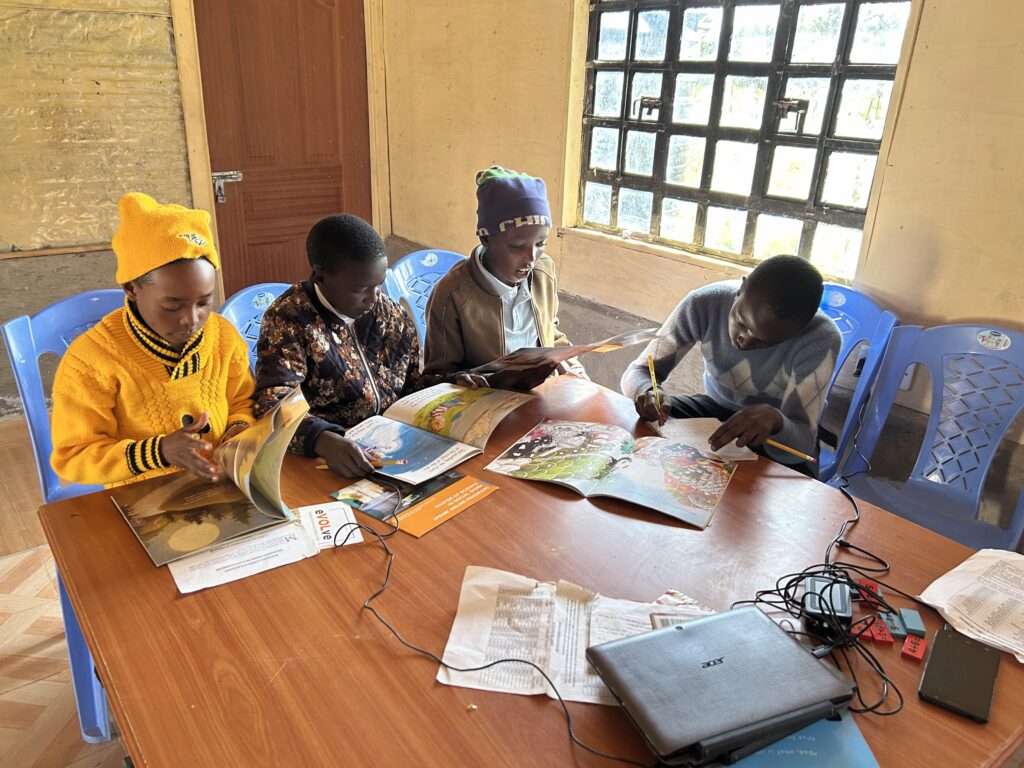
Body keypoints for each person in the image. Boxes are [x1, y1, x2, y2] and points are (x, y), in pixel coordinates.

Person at [50, 192, 255, 487]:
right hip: (142, 496)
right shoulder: (91, 361)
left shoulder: (222, 336)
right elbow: (74, 456)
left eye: (204, 302)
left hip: (221, 484)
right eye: (172, 306)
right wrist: (158, 451)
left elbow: (242, 401)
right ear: (132, 288)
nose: (191, 319)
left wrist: (239, 428)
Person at [621, 255, 840, 473]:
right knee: (647, 423)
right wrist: (648, 390)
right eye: (741, 322)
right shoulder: (705, 303)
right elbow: (639, 371)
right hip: (715, 411)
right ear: (741, 288)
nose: (745, 340)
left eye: (767, 342)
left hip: (777, 434)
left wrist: (776, 421)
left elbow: (801, 442)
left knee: (798, 486)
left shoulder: (820, 339)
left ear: (801, 328)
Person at [253, 214, 427, 479]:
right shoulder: (288, 319)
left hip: (395, 444)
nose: (373, 298)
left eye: (379, 285)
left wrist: (449, 383)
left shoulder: (390, 313)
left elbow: (414, 380)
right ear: (319, 276)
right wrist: (321, 439)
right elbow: (272, 405)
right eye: (360, 289)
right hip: (329, 458)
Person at [422, 166, 585, 389]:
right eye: (517, 246)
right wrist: (457, 380)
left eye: (540, 244)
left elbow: (550, 333)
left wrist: (573, 368)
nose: (531, 258)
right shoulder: (452, 294)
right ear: (486, 239)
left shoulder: (543, 272)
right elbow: (436, 374)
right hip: (487, 399)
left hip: (543, 392)